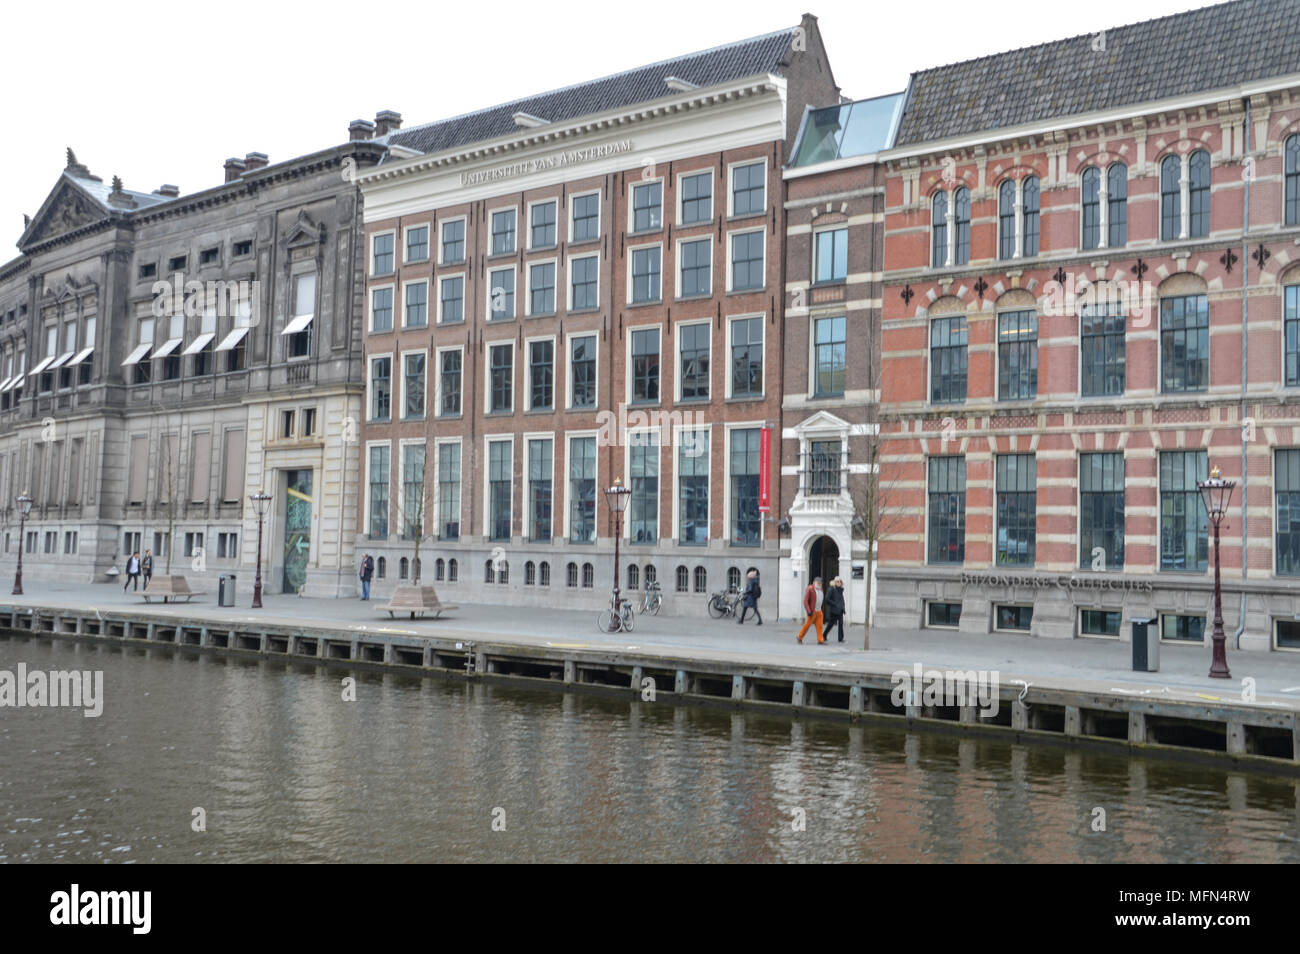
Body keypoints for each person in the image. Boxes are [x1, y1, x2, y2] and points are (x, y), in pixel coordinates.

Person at [795, 577, 825, 645]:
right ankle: (799, 637)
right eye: (818, 582)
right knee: (807, 625)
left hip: (819, 611)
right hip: (812, 611)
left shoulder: (821, 589)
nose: (819, 584)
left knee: (820, 626)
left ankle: (820, 640)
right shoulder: (810, 589)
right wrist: (808, 611)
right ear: (814, 582)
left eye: (820, 583)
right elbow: (805, 601)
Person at [824, 576, 846, 643]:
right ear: (835, 582)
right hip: (834, 610)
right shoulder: (831, 589)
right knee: (831, 624)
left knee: (841, 624)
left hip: (840, 610)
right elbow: (827, 598)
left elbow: (841, 600)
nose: (839, 583)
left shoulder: (840, 589)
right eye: (837, 581)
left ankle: (840, 638)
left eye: (840, 581)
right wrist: (834, 604)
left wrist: (843, 607)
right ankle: (824, 635)